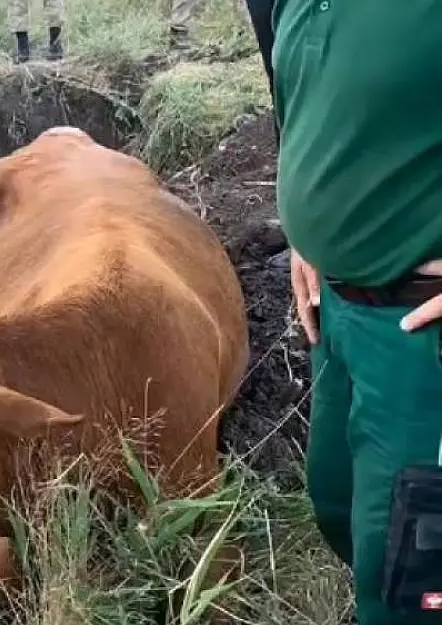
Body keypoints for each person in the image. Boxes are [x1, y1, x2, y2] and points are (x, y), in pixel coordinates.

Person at [276, 1, 442, 623]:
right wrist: (308, 226)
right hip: (340, 313)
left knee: (412, 569)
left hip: (419, 334)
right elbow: (310, 97)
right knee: (341, 507)